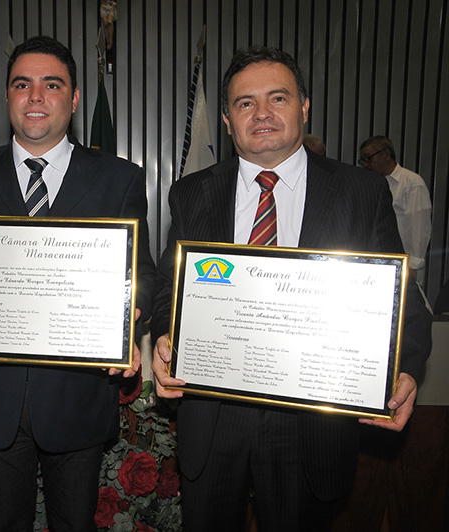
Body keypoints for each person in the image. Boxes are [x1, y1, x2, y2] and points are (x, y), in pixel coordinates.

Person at [151, 46, 431, 531]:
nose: (261, 114)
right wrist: (159, 336)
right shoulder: (192, 193)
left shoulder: (360, 191)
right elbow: (165, 291)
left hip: (311, 423)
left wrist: (404, 369)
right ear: (226, 118)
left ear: (303, 107)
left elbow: (400, 299)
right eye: (245, 103)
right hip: (214, 415)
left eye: (277, 98)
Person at [0, 36, 155, 532]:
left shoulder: (118, 179)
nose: (35, 97)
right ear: (8, 96)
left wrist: (128, 315)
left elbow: (142, 273)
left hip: (77, 397)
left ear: (74, 99)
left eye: (51, 85)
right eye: (22, 85)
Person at [359, 135, 432, 284]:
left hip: (405, 266)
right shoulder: (370, 184)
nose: (365, 165)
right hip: (376, 266)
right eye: (362, 160)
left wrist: (412, 267)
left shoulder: (411, 183)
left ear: (386, 155)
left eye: (368, 158)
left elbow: (419, 227)